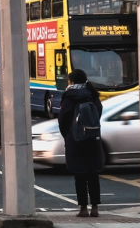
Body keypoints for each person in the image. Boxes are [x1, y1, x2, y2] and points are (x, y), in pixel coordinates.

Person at [58, 69, 103, 218]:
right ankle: (95, 207)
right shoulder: (92, 94)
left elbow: (63, 118)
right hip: (93, 138)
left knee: (80, 175)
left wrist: (68, 135)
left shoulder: (69, 96)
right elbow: (98, 112)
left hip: (75, 139)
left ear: (71, 81)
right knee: (93, 174)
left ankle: (83, 208)